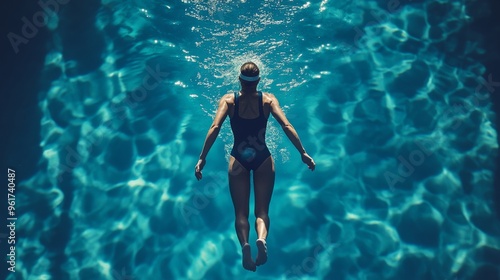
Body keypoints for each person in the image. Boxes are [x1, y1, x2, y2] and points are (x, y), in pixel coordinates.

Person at [194, 62, 315, 272]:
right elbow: (286, 125)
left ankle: (245, 245)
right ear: (258, 81)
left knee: (240, 213)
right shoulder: (268, 100)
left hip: (238, 159)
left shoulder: (229, 100)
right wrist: (302, 152)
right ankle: (261, 238)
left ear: (239, 80)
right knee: (262, 211)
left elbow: (215, 127)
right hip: (263, 158)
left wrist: (202, 158)